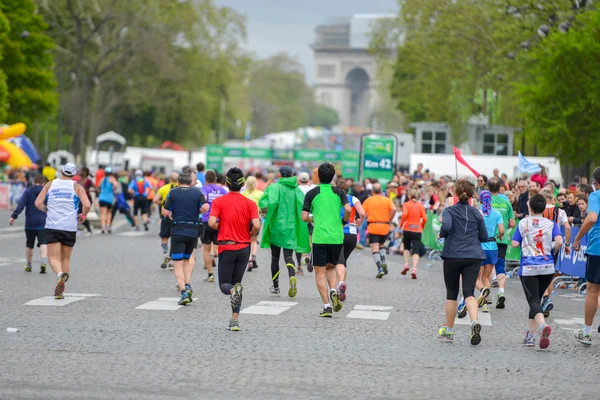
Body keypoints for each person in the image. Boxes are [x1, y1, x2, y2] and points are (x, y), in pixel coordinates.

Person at [208, 167, 261, 331]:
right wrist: (250, 233)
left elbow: (211, 222)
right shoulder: (250, 203)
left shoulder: (219, 202)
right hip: (244, 248)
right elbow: (257, 225)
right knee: (237, 284)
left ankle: (232, 294)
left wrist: (221, 226)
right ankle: (234, 320)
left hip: (227, 246)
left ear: (226, 183)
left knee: (226, 285)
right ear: (243, 183)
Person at [438, 179, 487, 345]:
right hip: (473, 255)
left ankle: (450, 332)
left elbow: (446, 227)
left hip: (453, 254)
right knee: (469, 293)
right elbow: (484, 236)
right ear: (472, 195)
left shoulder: (449, 211)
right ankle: (474, 322)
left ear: (456, 194)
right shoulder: (476, 213)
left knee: (452, 293)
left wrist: (442, 234)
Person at [512, 194, 562, 349]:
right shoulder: (551, 223)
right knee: (536, 301)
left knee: (533, 301)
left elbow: (514, 243)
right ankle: (530, 336)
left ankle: (541, 327)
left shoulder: (523, 223)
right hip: (547, 267)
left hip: (529, 268)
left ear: (530, 207)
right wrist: (553, 249)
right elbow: (559, 241)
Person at [34, 163, 91, 299]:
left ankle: (59, 275)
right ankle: (61, 289)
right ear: (74, 174)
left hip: (53, 225)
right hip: (70, 227)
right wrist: (83, 216)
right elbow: (87, 205)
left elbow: (38, 203)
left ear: (61, 171)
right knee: (66, 258)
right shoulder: (77, 187)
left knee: (53, 258)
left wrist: (47, 210)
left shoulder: (50, 184)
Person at [302, 162, 350, 317]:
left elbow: (304, 217)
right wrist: (343, 221)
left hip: (320, 237)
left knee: (319, 273)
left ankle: (327, 306)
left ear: (318, 176)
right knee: (331, 267)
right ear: (332, 176)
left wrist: (313, 217)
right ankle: (334, 290)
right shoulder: (339, 192)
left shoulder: (311, 193)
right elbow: (348, 209)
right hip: (336, 237)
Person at [259, 166, 310, 297]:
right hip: (291, 228)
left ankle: (276, 287)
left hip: (276, 227)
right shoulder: (297, 190)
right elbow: (304, 206)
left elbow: (264, 204)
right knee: (288, 256)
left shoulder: (273, 188)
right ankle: (292, 276)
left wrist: (265, 211)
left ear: (280, 175)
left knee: (275, 258)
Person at [162, 172, 209, 305]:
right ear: (190, 182)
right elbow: (206, 207)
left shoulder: (173, 192)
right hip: (193, 231)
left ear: (178, 182)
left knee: (177, 262)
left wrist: (171, 213)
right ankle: (188, 284)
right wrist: (198, 211)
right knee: (188, 259)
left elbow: (165, 211)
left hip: (178, 230)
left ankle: (183, 292)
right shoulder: (197, 192)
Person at [573, 168, 600, 346]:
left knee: (592, 289)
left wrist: (578, 237)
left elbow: (591, 218)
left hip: (598, 248)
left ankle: (587, 332)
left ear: (596, 182)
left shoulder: (596, 195)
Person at [471, 190, 504, 315]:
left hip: (479, 247)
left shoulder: (477, 213)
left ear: (480, 200)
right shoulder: (496, 214)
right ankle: (485, 305)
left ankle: (482, 291)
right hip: (492, 247)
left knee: (475, 277)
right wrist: (498, 236)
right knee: (486, 277)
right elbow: (502, 230)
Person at [539, 188, 571, 317]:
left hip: (540, 244)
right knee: (549, 273)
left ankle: (545, 298)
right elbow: (568, 227)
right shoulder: (560, 211)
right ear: (552, 198)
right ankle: (546, 302)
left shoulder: (538, 209)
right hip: (555, 244)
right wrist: (567, 244)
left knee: (540, 273)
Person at [10, 173, 48, 273]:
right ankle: (43, 262)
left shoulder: (28, 191)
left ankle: (29, 265)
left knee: (29, 244)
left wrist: (14, 216)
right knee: (44, 242)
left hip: (30, 223)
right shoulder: (46, 192)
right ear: (43, 183)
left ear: (33, 182)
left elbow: (21, 205)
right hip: (43, 223)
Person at [334, 180, 365, 302]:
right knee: (343, 261)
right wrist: (360, 221)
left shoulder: (334, 199)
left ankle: (340, 283)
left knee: (338, 261)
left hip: (338, 232)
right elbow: (362, 213)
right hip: (352, 234)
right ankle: (340, 285)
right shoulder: (353, 199)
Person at [488, 178, 516, 309]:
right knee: (500, 264)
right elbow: (512, 223)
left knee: (486, 267)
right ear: (500, 187)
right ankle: (501, 292)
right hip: (502, 239)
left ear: (488, 187)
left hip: (487, 239)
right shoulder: (506, 201)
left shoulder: (486, 201)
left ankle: (486, 297)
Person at [362, 183, 396, 278]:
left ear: (372, 191)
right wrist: (390, 219)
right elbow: (394, 209)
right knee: (381, 245)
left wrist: (364, 218)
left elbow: (363, 213)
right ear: (381, 191)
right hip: (384, 226)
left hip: (373, 225)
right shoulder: (387, 200)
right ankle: (384, 261)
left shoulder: (368, 200)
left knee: (375, 248)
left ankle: (380, 268)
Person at [200, 170, 228, 282]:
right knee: (221, 249)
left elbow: (202, 202)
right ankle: (223, 273)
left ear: (205, 179)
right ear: (216, 179)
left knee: (206, 249)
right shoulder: (222, 190)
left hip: (207, 221)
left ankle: (210, 274)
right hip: (220, 222)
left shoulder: (204, 189)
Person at [399, 189, 427, 279]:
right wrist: (421, 226)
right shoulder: (420, 205)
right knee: (416, 250)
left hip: (407, 228)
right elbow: (425, 218)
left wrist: (401, 224)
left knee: (406, 247)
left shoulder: (406, 204)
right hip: (417, 229)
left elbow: (404, 215)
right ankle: (414, 269)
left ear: (409, 195)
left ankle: (406, 264)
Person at [154, 172, 179, 270]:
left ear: (169, 179)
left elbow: (155, 200)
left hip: (165, 215)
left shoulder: (164, 188)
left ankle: (165, 253)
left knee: (164, 237)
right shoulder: (180, 189)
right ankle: (172, 262)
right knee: (174, 238)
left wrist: (162, 203)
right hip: (177, 216)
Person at [241, 176, 263, 271]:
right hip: (256, 219)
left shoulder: (243, 194)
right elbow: (263, 206)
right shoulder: (260, 194)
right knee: (254, 240)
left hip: (245, 219)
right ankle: (253, 255)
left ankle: (249, 260)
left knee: (247, 240)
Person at [296, 172, 315, 274]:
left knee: (299, 242)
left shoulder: (296, 190)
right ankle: (308, 255)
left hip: (300, 218)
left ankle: (299, 267)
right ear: (308, 180)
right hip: (311, 217)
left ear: (299, 180)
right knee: (311, 239)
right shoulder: (313, 189)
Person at [98, 167, 118, 234]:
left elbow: (99, 187)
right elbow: (115, 186)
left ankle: (103, 226)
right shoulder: (112, 179)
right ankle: (108, 226)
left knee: (102, 213)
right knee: (109, 212)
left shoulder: (102, 179)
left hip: (101, 197)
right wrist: (112, 189)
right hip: (109, 198)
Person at [78, 167, 95, 236]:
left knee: (82, 214)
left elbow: (96, 189)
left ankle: (89, 230)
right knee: (80, 214)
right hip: (80, 200)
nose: (79, 172)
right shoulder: (79, 180)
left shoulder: (89, 181)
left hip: (87, 199)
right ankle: (88, 227)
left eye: (81, 171)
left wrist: (87, 190)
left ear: (85, 173)